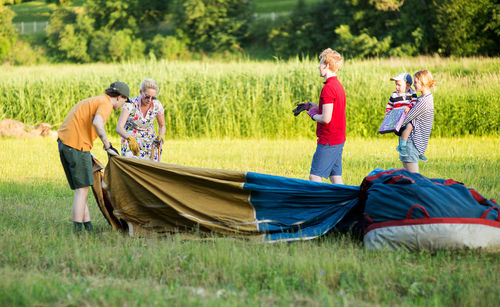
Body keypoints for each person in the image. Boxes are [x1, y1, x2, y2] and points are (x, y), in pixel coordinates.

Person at [58, 81, 130, 233]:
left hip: (65, 143)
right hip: (77, 146)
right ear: (119, 97)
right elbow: (98, 123)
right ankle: (77, 232)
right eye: (125, 100)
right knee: (82, 190)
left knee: (81, 189)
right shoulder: (106, 104)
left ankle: (88, 229)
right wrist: (107, 145)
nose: (124, 103)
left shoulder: (97, 99)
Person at [294, 48, 346, 184]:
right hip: (338, 138)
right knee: (335, 177)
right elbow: (332, 111)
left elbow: (325, 118)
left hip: (329, 139)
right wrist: (312, 106)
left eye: (320, 63)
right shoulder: (337, 85)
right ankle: (345, 203)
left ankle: (319, 204)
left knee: (314, 176)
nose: (318, 66)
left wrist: (312, 114)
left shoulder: (328, 88)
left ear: (327, 65)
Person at [116, 79, 166, 162]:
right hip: (131, 139)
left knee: (151, 168)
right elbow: (119, 128)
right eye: (147, 96)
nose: (149, 100)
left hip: (149, 139)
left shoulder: (157, 105)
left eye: (153, 97)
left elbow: (162, 125)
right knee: (132, 166)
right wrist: (130, 138)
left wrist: (161, 135)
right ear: (140, 92)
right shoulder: (130, 104)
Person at [399, 70, 435, 173]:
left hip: (411, 143)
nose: (413, 85)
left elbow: (407, 117)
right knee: (408, 179)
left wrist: (393, 123)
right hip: (410, 142)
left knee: (414, 179)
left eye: (416, 82)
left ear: (423, 82)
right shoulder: (424, 98)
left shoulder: (424, 101)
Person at [384, 73, 418, 157]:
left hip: (405, 119)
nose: (396, 87)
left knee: (409, 127)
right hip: (397, 119)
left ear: (407, 85)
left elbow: (414, 102)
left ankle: (403, 146)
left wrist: (408, 107)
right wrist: (388, 112)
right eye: (396, 84)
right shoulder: (394, 94)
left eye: (399, 85)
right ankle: (402, 146)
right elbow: (389, 104)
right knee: (409, 127)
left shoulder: (412, 94)